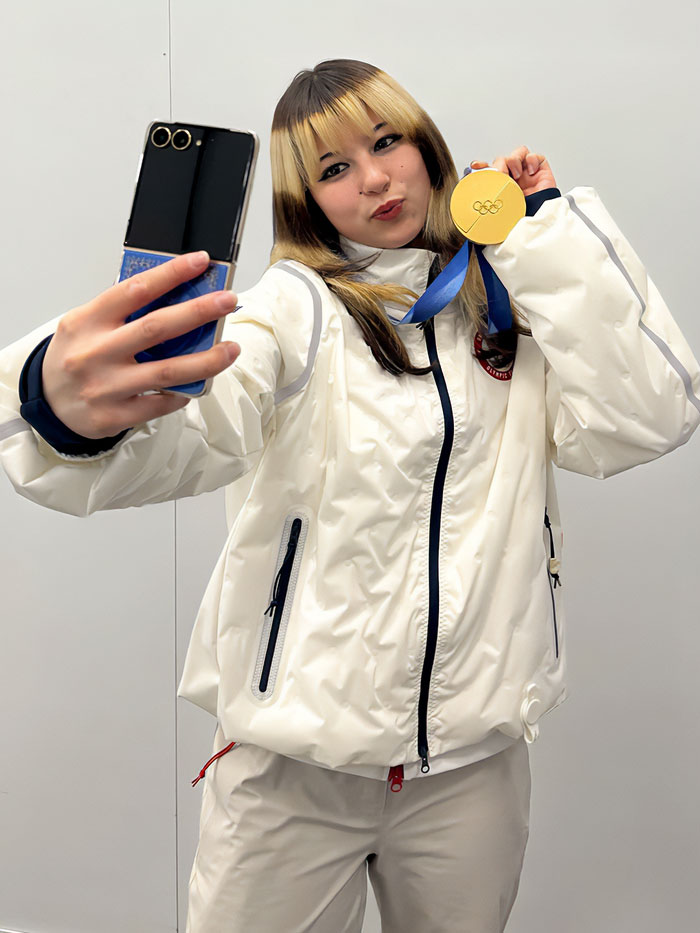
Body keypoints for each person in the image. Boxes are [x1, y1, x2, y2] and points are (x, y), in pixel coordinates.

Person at [1, 58, 699, 933]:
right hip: (293, 772)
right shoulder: (293, 312)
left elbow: (648, 416)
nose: (373, 180)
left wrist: (543, 235)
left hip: (469, 773)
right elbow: (196, 426)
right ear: (307, 201)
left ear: (427, 147)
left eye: (385, 142)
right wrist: (68, 414)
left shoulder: (510, 309)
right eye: (333, 169)